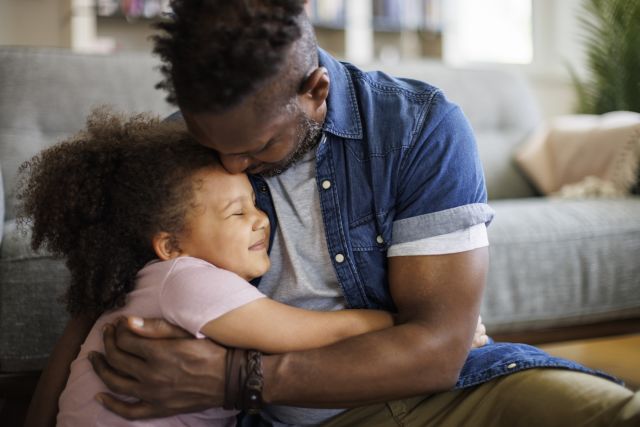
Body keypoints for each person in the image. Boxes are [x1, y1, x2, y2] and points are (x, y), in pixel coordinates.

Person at [26, 1, 640, 426]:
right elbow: (88, 317)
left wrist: (235, 378)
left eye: (257, 146)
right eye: (213, 143)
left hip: (439, 400)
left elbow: (438, 352)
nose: (232, 166)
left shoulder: (420, 128)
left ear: (314, 90)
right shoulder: (174, 158)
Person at [18, 110, 401, 426]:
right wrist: (407, 324)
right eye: (237, 212)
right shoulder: (189, 281)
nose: (260, 220)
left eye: (254, 202)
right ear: (171, 245)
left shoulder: (154, 280)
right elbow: (322, 333)